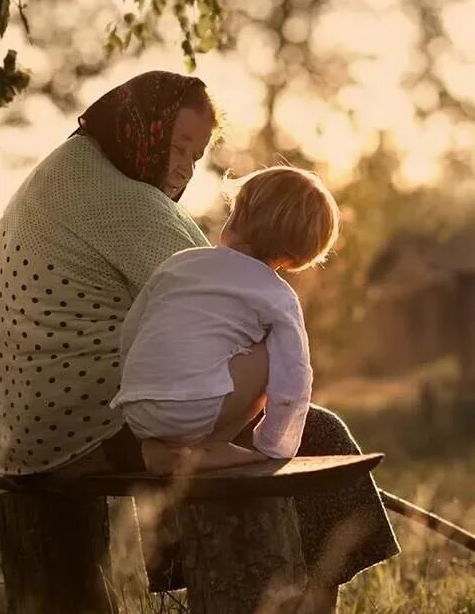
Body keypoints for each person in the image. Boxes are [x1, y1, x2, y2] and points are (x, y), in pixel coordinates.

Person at [0, 70, 398, 600]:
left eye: (195, 157)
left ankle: (221, 589)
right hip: (83, 430)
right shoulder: (128, 204)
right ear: (142, 128)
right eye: (177, 146)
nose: (183, 168)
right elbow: (222, 319)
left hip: (16, 428)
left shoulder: (67, 169)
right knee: (315, 433)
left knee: (190, 397)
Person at [111, 166, 340, 475]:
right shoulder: (277, 295)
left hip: (137, 408)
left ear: (236, 217)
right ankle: (210, 447)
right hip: (194, 409)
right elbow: (294, 377)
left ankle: (160, 449)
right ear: (298, 256)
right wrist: (275, 446)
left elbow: (132, 331)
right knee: (273, 354)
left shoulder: (179, 264)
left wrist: (137, 386)